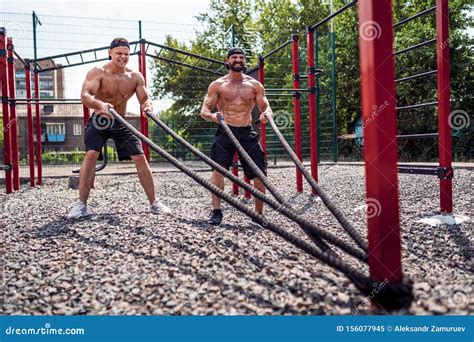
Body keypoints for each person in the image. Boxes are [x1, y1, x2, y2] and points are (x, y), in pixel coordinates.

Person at [68, 37, 171, 219]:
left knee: (140, 156)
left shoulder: (135, 77)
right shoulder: (98, 72)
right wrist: (99, 104)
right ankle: (81, 205)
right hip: (100, 120)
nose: (122, 57)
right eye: (118, 53)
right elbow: (85, 96)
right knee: (91, 154)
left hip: (120, 121)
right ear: (110, 53)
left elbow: (145, 98)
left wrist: (147, 107)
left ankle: (154, 203)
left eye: (126, 54)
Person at [200, 47, 273, 227]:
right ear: (227, 61)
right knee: (218, 172)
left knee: (259, 174)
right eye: (234, 57)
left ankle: (258, 215)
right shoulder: (218, 85)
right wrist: (213, 116)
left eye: (241, 57)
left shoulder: (255, 85)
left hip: (246, 132)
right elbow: (204, 111)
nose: (238, 60)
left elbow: (267, 107)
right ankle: (216, 212)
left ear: (244, 61)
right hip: (225, 131)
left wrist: (267, 115)